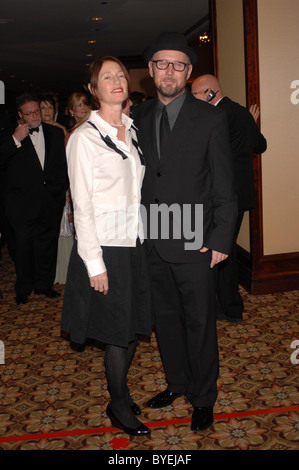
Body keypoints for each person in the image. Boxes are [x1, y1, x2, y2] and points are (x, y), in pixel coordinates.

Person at [133, 32, 237, 432]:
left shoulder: (211, 117)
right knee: (167, 319)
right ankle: (177, 383)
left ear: (189, 71)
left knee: (199, 320)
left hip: (194, 234)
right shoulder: (137, 117)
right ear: (152, 71)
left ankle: (204, 396)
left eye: (178, 64)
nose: (169, 70)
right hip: (152, 235)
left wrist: (220, 239)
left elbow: (223, 185)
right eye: (162, 63)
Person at [60, 56, 151, 437]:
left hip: (133, 242)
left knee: (130, 328)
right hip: (105, 249)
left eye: (120, 75)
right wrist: (94, 263)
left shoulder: (131, 130)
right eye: (106, 77)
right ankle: (118, 405)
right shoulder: (83, 138)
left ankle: (120, 390)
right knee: (117, 333)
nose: (116, 80)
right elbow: (81, 205)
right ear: (94, 90)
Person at [191, 74, 267, 323]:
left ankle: (230, 307)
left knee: (221, 251)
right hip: (241, 195)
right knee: (226, 250)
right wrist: (251, 124)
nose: (192, 100)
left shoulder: (218, 116)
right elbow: (260, 145)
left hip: (224, 197)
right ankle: (230, 305)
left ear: (211, 93)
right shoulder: (242, 113)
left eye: (196, 95)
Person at [0, 92, 68, 305]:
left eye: (36, 111)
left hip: (50, 202)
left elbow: (62, 166)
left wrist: (60, 192)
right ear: (20, 115)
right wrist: (15, 140)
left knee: (47, 246)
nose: (35, 116)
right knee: (23, 249)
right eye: (29, 114)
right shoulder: (8, 135)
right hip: (21, 206)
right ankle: (23, 288)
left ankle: (44, 285)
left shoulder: (55, 133)